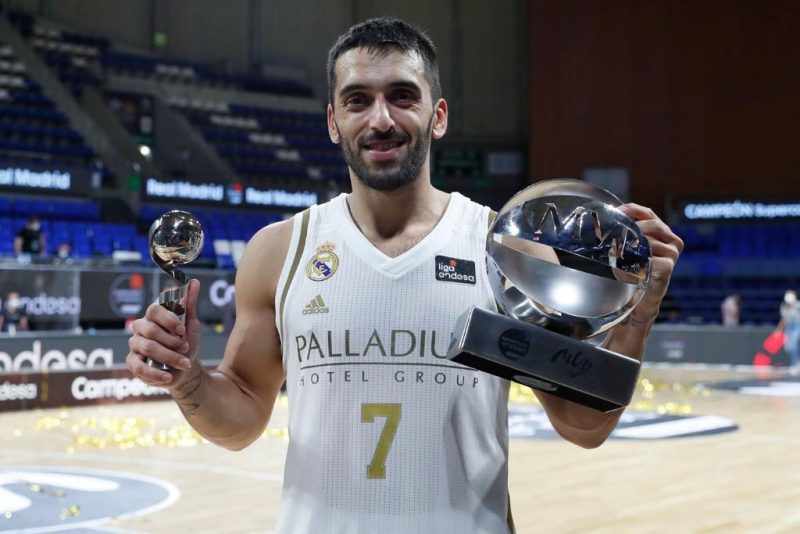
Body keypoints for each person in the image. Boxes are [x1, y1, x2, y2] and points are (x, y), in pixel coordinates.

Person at [127, 17, 683, 533]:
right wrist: (188, 380)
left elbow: (583, 426)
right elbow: (243, 418)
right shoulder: (280, 251)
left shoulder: (503, 250)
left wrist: (639, 316)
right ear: (333, 121)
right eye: (357, 100)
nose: (381, 120)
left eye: (401, 96)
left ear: (438, 116)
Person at [775, 289, 800, 374]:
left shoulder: (798, 305)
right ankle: (796, 363)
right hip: (789, 326)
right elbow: (784, 319)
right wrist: (779, 329)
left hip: (797, 325)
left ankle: (795, 365)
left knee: (794, 345)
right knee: (789, 347)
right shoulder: (784, 306)